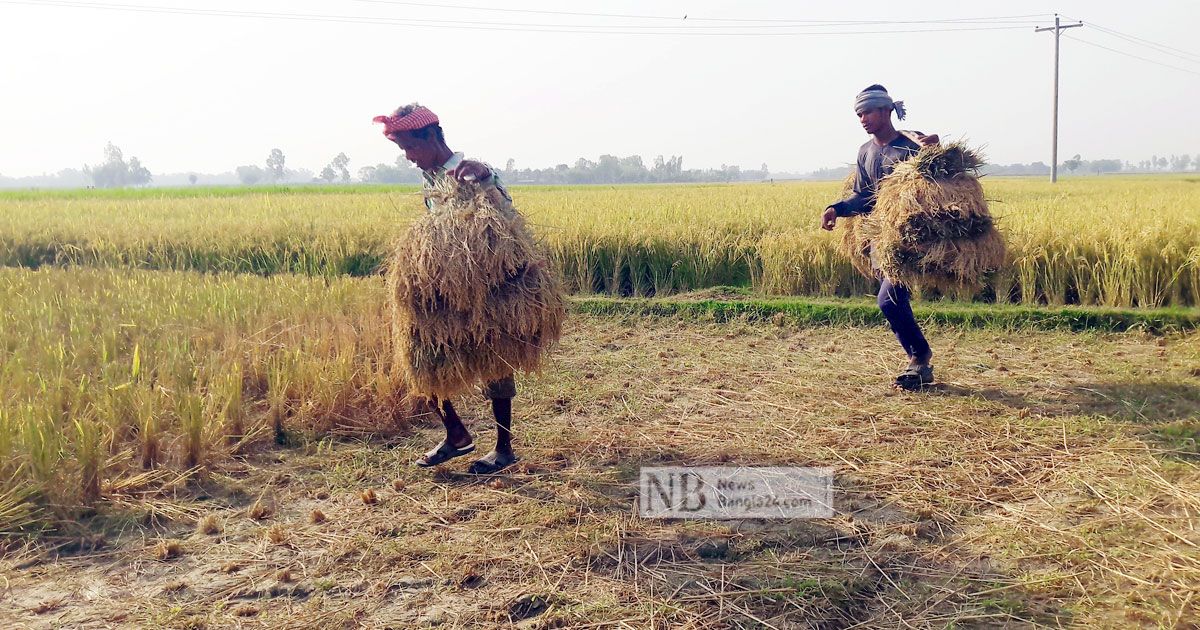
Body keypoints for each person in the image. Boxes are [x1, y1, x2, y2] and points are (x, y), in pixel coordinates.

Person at [374, 103, 519, 474]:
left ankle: (503, 448)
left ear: (432, 137)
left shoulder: (467, 172)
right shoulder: (430, 181)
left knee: (495, 363)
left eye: (411, 147)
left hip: (485, 288)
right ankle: (456, 434)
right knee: (421, 355)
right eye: (402, 149)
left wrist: (486, 177)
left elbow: (504, 210)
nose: (408, 157)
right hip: (443, 287)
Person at [820, 85, 940, 391]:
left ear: (887, 111)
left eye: (868, 111)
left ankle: (919, 357)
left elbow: (939, 181)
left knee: (888, 299)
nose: (863, 118)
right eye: (859, 113)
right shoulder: (866, 152)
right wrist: (837, 208)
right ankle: (919, 366)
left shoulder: (911, 146)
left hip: (911, 239)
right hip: (880, 239)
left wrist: (936, 151)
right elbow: (865, 197)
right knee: (894, 301)